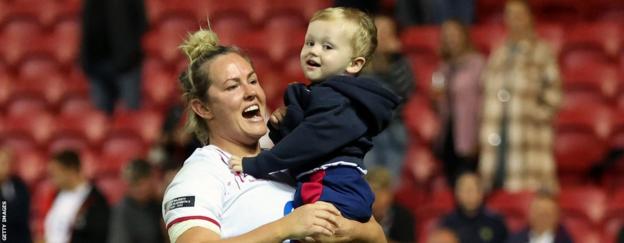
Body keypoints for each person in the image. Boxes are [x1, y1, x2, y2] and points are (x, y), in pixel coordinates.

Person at [162, 28, 387, 243]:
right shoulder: (202, 173)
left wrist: (356, 231)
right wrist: (285, 227)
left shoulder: (294, 160)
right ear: (203, 108)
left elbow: (377, 234)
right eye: (232, 87)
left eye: (252, 80)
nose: (251, 92)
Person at [228, 7, 400, 223]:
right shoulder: (325, 93)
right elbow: (308, 140)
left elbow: (307, 142)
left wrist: (257, 164)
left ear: (354, 64)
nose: (314, 51)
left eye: (327, 46)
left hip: (331, 184)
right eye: (310, 42)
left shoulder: (337, 99)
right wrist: (283, 126)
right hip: (329, 181)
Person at [479, 0, 562, 192]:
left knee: (526, 195)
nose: (513, 20)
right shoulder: (498, 52)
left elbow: (554, 94)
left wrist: (534, 114)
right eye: (509, 15)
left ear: (529, 19)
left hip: (528, 141)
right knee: (498, 196)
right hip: (497, 139)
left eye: (518, 15)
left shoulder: (541, 51)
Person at [362, 14, 416, 182]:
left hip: (394, 129)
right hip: (367, 130)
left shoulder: (400, 62)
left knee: (391, 183)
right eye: (380, 31)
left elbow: (405, 91)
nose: (383, 36)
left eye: (388, 31)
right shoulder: (360, 62)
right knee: (370, 182)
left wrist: (395, 59)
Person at [432, 19, 485, 188]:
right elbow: (440, 101)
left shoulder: (477, 63)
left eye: (454, 34)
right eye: (446, 35)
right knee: (451, 182)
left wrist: (479, 135)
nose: (450, 39)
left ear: (464, 36)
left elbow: (484, 101)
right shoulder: (443, 67)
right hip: (448, 133)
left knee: (467, 182)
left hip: (470, 132)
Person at [80, 0, 147, 114]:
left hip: (127, 65)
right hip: (97, 63)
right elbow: (87, 24)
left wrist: (130, 50)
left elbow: (142, 23)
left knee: (129, 118)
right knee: (100, 120)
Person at [44, 150, 110, 243]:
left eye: (55, 173)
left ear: (71, 171)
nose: (52, 179)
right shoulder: (57, 195)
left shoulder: (95, 201)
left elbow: (97, 236)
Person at [440, 172, 508, 243]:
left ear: (481, 193)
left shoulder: (495, 222)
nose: (468, 194)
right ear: (457, 193)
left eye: (472, 189)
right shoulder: (447, 223)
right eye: (464, 190)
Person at [108, 159, 166, 243]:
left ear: (151, 179)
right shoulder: (123, 210)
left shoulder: (160, 203)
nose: (137, 190)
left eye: (140, 184)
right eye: (132, 185)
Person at [366, 168, 415, 243]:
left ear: (390, 194)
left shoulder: (403, 216)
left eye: (381, 193)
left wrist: (376, 237)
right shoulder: (358, 214)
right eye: (371, 193)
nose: (376, 199)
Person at [506, 191, 573, 243]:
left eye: (546, 214)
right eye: (537, 212)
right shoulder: (515, 239)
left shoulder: (565, 240)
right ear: (530, 214)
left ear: (556, 216)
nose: (540, 218)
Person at [0, 148, 32, 243]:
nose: (5, 167)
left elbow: (23, 216)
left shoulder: (20, 186)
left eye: (7, 163)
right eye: (2, 163)